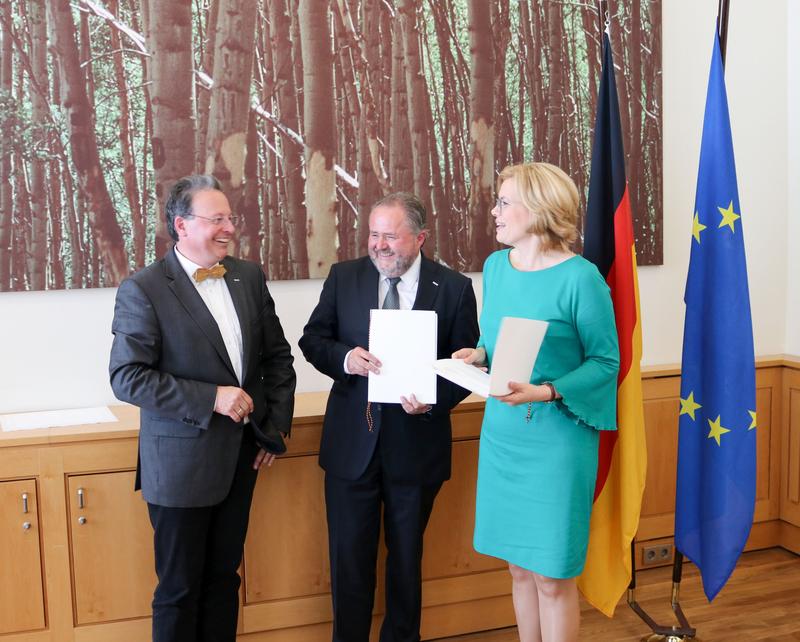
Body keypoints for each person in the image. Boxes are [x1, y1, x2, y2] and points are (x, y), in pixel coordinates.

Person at [109, 175, 296, 642]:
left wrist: (272, 431)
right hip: (179, 469)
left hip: (241, 460)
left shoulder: (248, 276)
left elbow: (277, 359)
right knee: (179, 589)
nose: (229, 228)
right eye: (217, 220)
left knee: (223, 581)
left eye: (230, 218)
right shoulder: (144, 288)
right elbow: (127, 377)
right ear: (182, 225)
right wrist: (212, 398)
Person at [299, 192, 479, 642]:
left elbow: (466, 366)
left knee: (406, 562)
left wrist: (433, 399)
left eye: (391, 236)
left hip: (416, 446)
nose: (379, 245)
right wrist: (345, 358)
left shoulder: (453, 287)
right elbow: (313, 340)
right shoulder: (345, 277)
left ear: (419, 237)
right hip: (351, 446)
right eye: (374, 235)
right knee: (349, 561)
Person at [453, 162, 619, 642]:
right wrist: (478, 352)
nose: (495, 211)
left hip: (558, 440)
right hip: (504, 435)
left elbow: (606, 363)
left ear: (540, 208)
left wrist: (546, 390)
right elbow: (496, 337)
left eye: (505, 202)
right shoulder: (495, 267)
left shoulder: (581, 278)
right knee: (519, 570)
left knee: (550, 574)